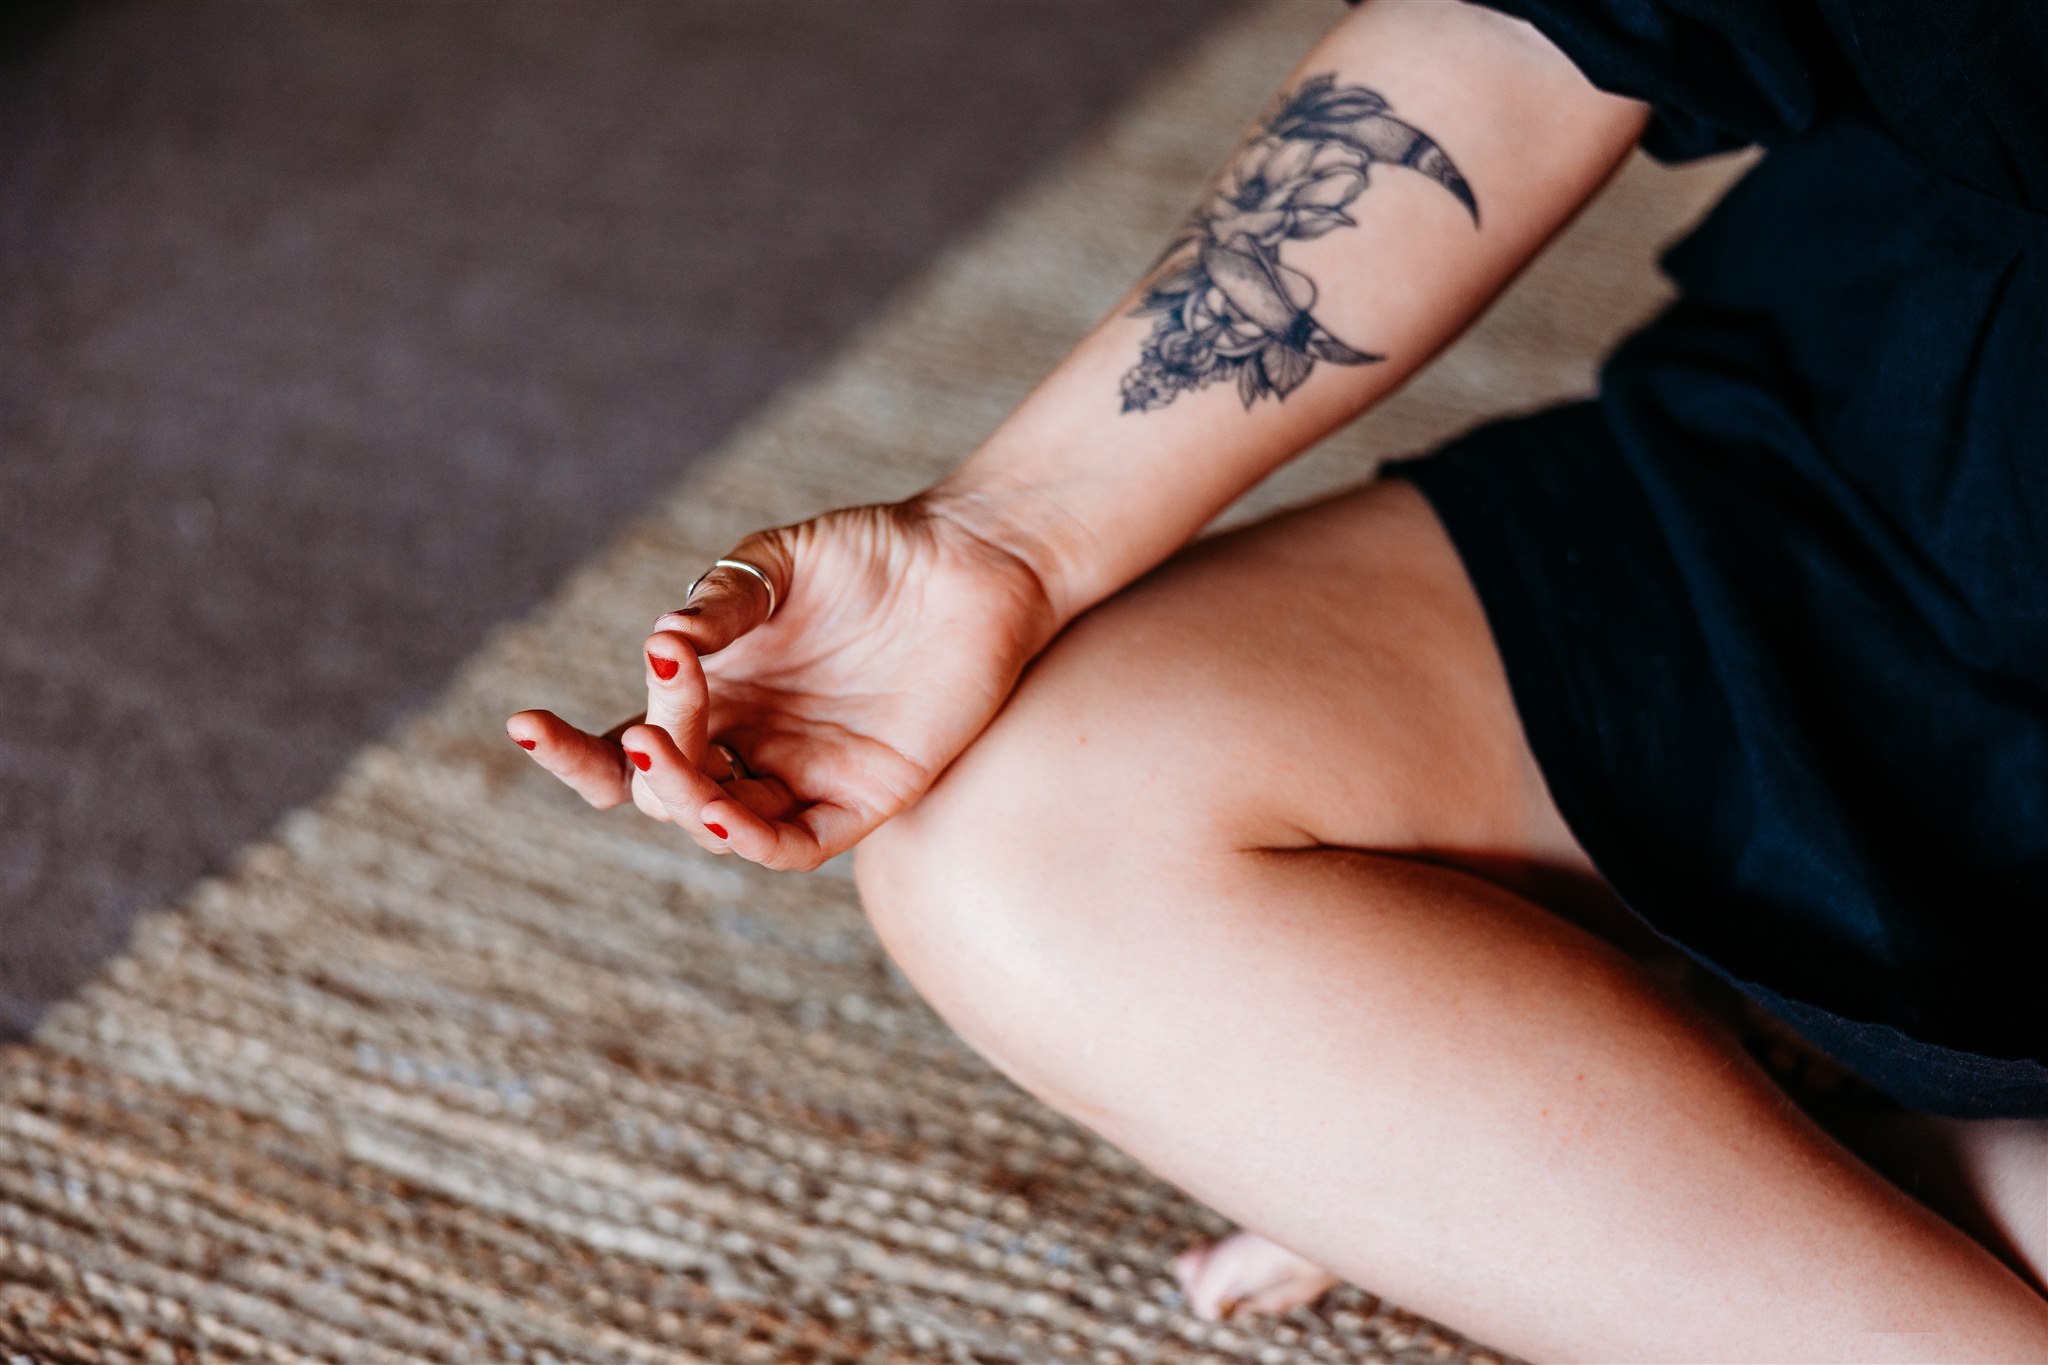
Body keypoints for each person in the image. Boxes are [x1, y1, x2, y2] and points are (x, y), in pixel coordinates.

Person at [507, 0, 2048, 1356]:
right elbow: (1528, 30)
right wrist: (1003, 538)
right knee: (1026, 837)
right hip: (1877, 473)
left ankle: (1674, 1161)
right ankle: (1711, 1146)